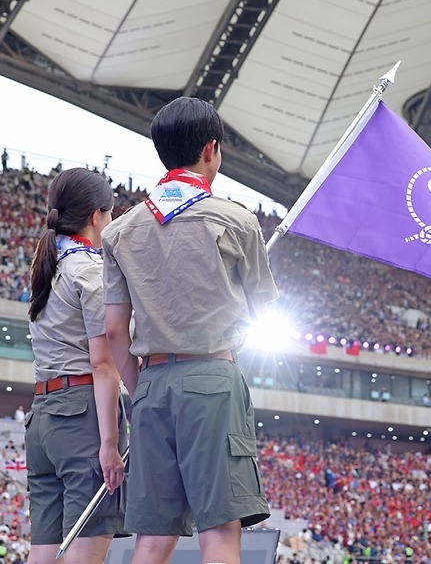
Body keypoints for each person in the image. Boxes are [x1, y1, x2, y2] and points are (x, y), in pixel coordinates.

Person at [102, 97, 278, 564]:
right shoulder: (237, 219)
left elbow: (115, 331)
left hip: (151, 385)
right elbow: (263, 309)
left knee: (152, 536)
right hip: (212, 378)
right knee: (219, 530)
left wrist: (140, 388)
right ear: (211, 149)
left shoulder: (119, 231)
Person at [26, 167, 126, 564]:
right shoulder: (90, 270)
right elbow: (103, 365)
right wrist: (109, 444)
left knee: (43, 552)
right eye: (111, 212)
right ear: (96, 215)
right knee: (85, 551)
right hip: (82, 418)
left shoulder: (46, 266)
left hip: (43, 416)